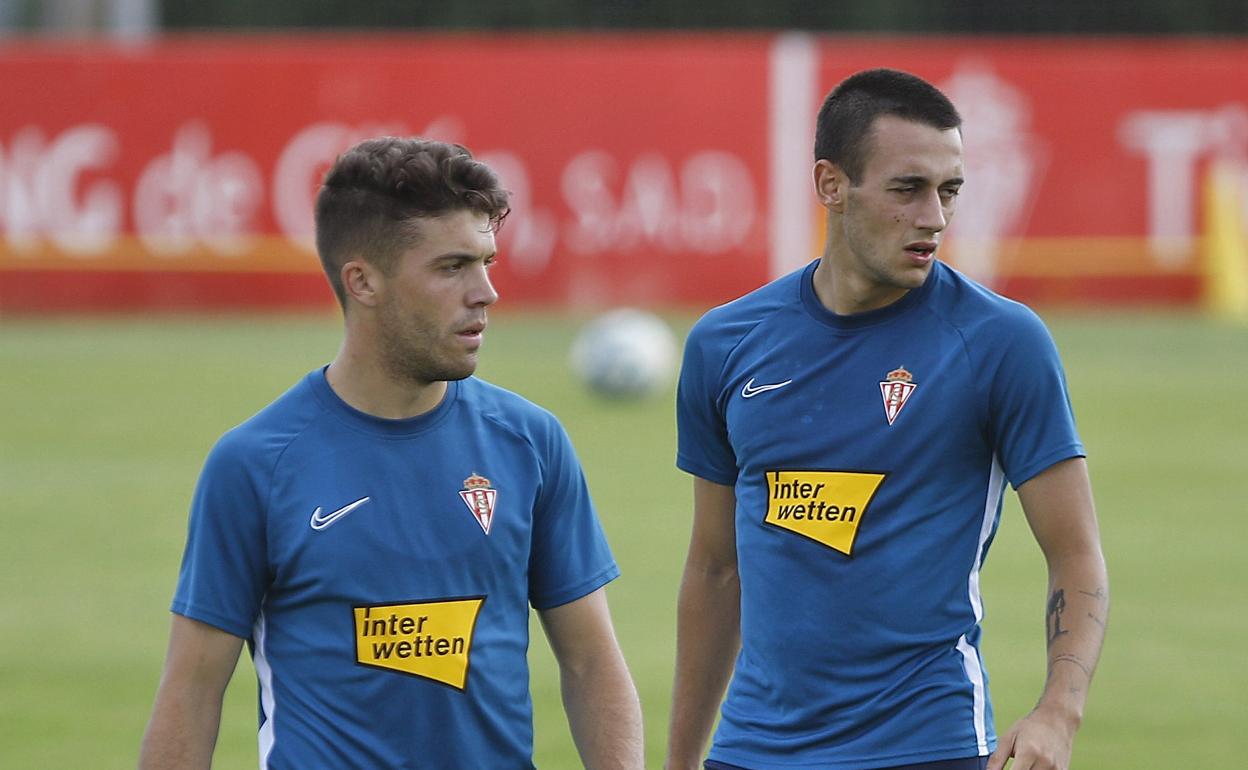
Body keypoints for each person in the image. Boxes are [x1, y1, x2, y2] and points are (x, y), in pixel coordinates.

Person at [139, 137, 644, 769]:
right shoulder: (255, 466)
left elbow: (591, 661)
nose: (485, 292)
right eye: (451, 267)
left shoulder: (530, 442)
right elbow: (191, 693)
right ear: (363, 282)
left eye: (486, 261)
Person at [665, 68, 1108, 770]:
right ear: (831, 185)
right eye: (908, 189)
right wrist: (682, 761)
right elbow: (716, 569)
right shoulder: (725, 344)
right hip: (752, 750)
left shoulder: (1001, 342)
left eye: (950, 191)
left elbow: (1076, 552)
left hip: (928, 745)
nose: (934, 216)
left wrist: (1059, 712)